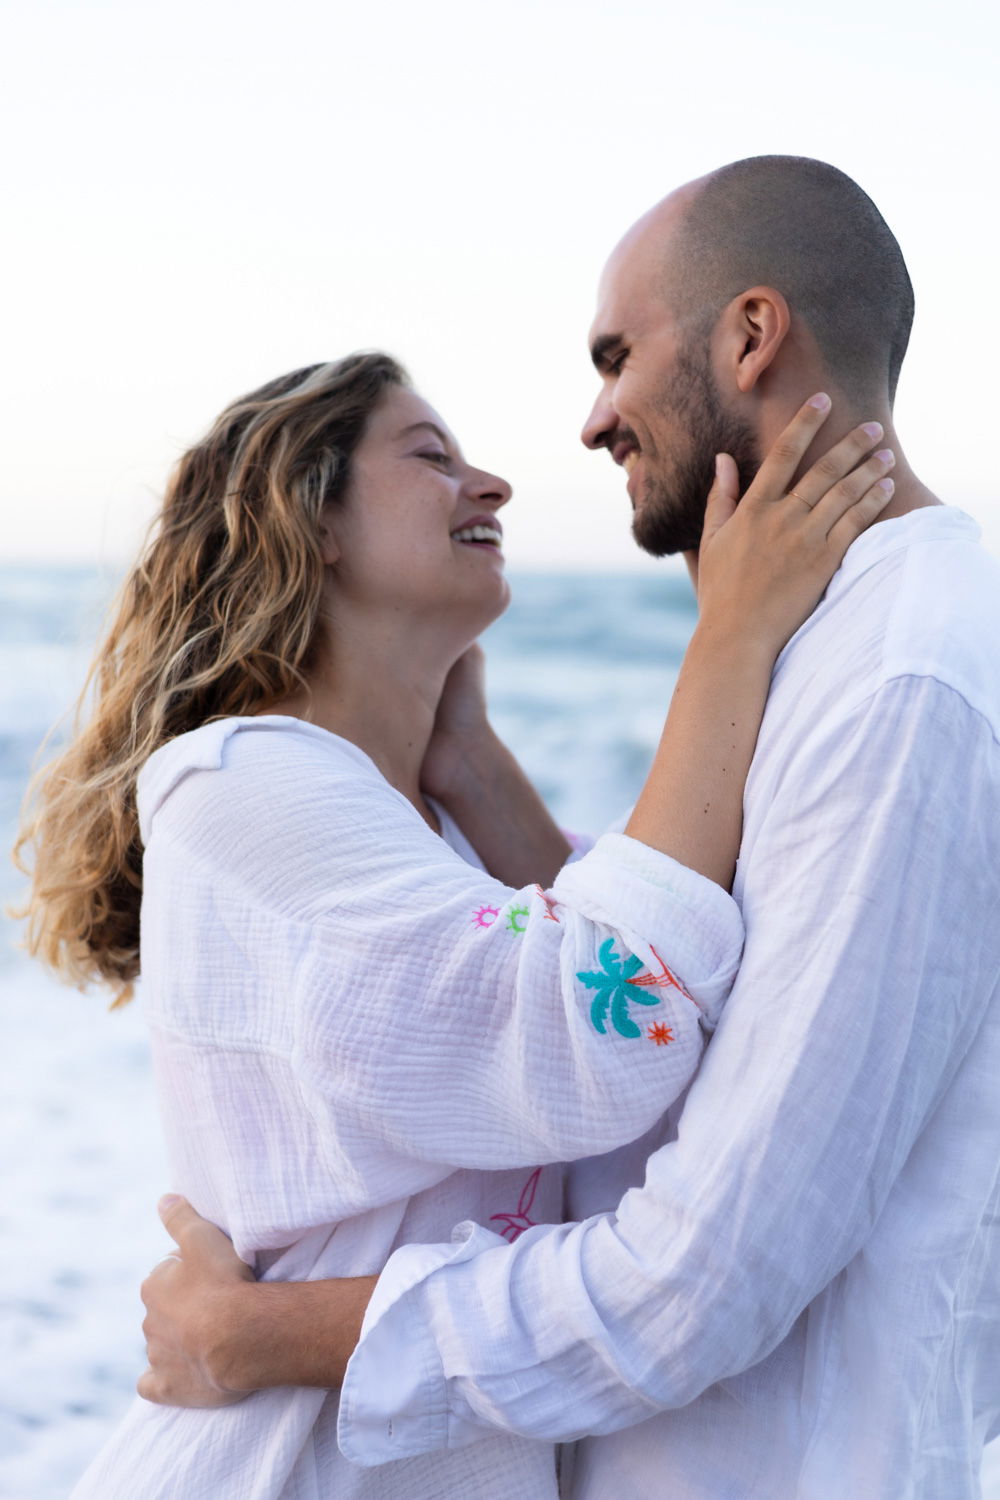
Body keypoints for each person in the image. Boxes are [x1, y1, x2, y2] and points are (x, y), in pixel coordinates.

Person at [139, 157, 1000, 1499]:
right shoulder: (819, 641)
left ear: (751, 336)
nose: (592, 422)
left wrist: (255, 1335)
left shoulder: (897, 674)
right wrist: (484, 779)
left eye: (617, 356)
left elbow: (696, 1268)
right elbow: (638, 1007)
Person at [16, 344, 890, 1499]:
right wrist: (729, 636)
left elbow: (670, 1055)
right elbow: (606, 1027)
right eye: (431, 458)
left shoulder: (414, 828)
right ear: (308, 518)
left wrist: (473, 765)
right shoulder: (237, 786)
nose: (492, 486)